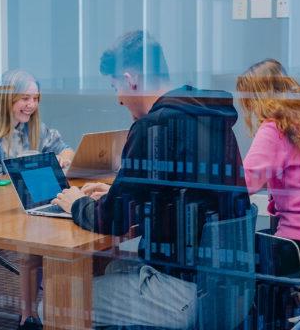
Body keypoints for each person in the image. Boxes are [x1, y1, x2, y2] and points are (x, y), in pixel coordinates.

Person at [52, 31, 250, 329]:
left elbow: (113, 219)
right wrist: (119, 190)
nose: (119, 99)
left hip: (181, 292)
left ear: (131, 79)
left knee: (56, 301)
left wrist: (77, 203)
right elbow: (183, 193)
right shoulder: (208, 116)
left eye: (115, 86)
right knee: (113, 269)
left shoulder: (154, 126)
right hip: (227, 290)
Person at [0, 69, 74, 328]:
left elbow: (64, 147)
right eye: (24, 98)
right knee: (41, 237)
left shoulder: (31, 128)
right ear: (6, 99)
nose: (31, 105)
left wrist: (65, 156)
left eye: (35, 98)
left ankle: (45, 309)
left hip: (16, 208)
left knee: (57, 229)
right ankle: (30, 315)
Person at [236, 59, 300, 275]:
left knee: (237, 271)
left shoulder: (275, 129)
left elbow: (244, 182)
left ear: (258, 98)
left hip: (295, 245)